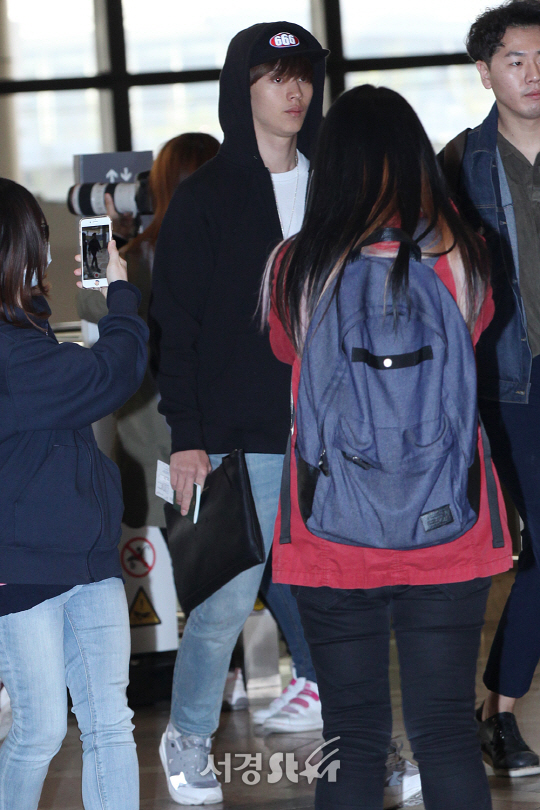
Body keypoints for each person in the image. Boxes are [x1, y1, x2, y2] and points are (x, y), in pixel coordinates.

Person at [262, 85, 514, 810]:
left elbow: (286, 351)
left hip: (328, 528)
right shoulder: (466, 255)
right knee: (443, 730)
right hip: (451, 525)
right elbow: (473, 337)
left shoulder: (296, 266)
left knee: (352, 733)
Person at [151, 21, 328, 805]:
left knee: (335, 596)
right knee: (223, 603)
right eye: (274, 77)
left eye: (302, 76)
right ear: (243, 88)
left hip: (329, 436)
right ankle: (186, 737)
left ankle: (361, 742)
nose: (293, 92)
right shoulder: (208, 196)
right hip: (236, 439)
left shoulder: (333, 184)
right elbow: (177, 328)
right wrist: (190, 441)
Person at [0, 178, 148, 810]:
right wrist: (119, 293)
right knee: (38, 731)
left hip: (83, 557)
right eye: (37, 234)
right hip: (24, 565)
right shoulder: (11, 352)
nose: (46, 249)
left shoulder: (24, 333)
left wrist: (103, 287)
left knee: (110, 722)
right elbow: (109, 373)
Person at [440, 0, 540, 778]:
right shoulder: (458, 166)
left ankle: (496, 709)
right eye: (516, 60)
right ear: (486, 71)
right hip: (511, 388)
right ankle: (500, 711)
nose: (533, 73)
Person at [78, 132, 220, 530]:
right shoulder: (227, 252)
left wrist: (100, 236)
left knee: (179, 557)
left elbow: (89, 304)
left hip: (152, 443)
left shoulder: (138, 257)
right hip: (221, 439)